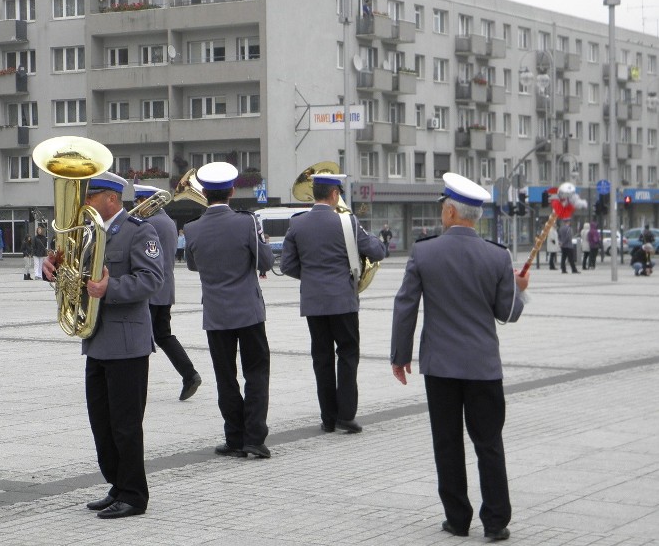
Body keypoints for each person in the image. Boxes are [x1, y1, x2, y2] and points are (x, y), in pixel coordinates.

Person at [391, 172, 529, 542]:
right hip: (483, 368)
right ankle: (496, 521)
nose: (441, 215)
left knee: (447, 442)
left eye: (443, 209)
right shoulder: (498, 256)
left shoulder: (424, 251)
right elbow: (507, 313)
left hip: (441, 368)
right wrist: (519, 290)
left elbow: (406, 305)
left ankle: (458, 519)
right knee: (489, 444)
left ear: (451, 212)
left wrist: (399, 356)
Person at [44, 172, 163, 519]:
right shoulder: (88, 234)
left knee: (125, 425)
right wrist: (53, 269)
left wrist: (110, 288)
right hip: (95, 340)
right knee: (102, 424)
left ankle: (134, 495)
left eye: (90, 195)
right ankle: (118, 485)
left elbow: (152, 279)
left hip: (127, 344)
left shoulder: (140, 231)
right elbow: (75, 277)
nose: (84, 202)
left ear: (111, 198)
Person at [280, 173, 385, 433]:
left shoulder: (297, 224)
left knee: (322, 358)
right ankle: (346, 415)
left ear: (314, 194)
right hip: (343, 300)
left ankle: (328, 418)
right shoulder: (347, 221)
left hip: (314, 302)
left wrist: (313, 277)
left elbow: (287, 266)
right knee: (347, 355)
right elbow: (377, 252)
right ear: (335, 194)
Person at [184, 161, 274, 459]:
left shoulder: (192, 228)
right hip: (248, 312)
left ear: (203, 192)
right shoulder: (247, 222)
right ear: (232, 191)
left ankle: (234, 438)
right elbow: (266, 263)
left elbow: (194, 265)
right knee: (256, 373)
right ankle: (254, 438)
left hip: (216, 315)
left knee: (226, 377)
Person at [133, 185, 202, 400]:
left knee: (142, 338)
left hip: (151, 290)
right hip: (163, 288)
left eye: (138, 201)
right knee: (162, 334)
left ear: (147, 201)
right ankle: (189, 374)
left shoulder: (149, 223)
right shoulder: (167, 221)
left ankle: (135, 383)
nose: (135, 206)